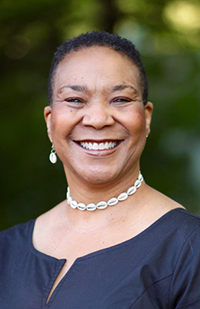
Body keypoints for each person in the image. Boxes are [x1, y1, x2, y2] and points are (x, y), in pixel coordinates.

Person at [0, 31, 200, 309]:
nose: (97, 119)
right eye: (75, 100)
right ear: (49, 121)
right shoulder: (7, 249)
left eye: (120, 99)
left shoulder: (188, 249)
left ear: (145, 117)